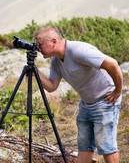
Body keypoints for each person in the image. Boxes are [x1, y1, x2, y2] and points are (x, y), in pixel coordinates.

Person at [33, 25, 123, 163]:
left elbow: (112, 64)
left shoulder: (79, 51)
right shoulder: (56, 61)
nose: (38, 49)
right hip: (87, 104)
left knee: (106, 145)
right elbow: (51, 86)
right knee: (84, 145)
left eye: (40, 45)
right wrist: (35, 71)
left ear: (53, 41)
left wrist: (118, 90)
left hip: (105, 100)